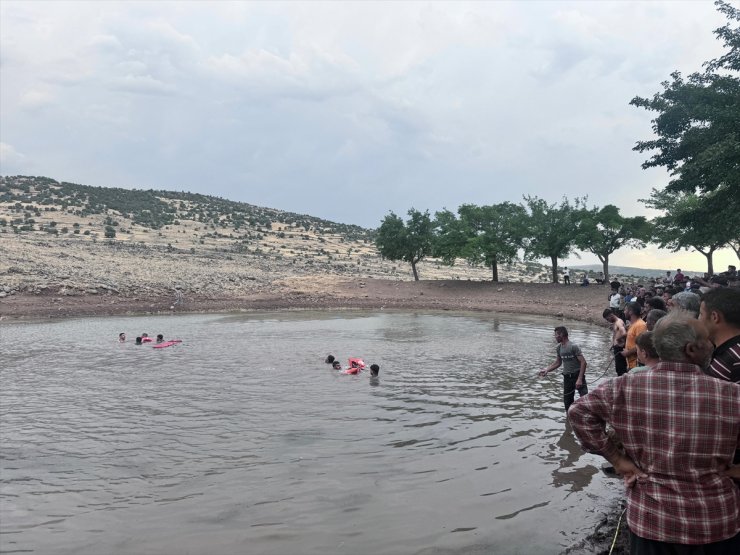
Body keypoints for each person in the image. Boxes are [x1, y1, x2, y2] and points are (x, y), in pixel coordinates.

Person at [568, 313, 740, 553]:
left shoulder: (622, 388)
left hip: (652, 521)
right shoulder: (732, 395)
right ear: (691, 349)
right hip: (716, 522)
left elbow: (578, 413)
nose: (712, 344)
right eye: (707, 340)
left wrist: (618, 460)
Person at [538, 326, 588, 411]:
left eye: (556, 335)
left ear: (561, 335)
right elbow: (558, 362)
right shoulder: (559, 348)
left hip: (577, 375)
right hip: (567, 378)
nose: (555, 337)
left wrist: (579, 379)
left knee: (585, 399)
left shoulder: (573, 346)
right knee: (567, 402)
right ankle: (569, 420)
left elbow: (583, 362)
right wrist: (547, 370)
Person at [699, 287, 740, 384]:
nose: (698, 319)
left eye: (701, 314)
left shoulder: (734, 359)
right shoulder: (728, 352)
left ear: (714, 317)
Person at [621, 302, 647, 371]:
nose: (624, 312)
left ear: (631, 312)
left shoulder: (640, 325)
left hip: (637, 365)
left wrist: (627, 353)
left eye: (625, 310)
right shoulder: (632, 324)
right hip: (630, 364)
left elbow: (641, 344)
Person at [603, 308, 628, 376]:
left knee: (620, 369)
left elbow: (624, 333)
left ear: (611, 315)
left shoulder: (619, 322)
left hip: (620, 348)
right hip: (617, 348)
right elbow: (615, 334)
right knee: (618, 368)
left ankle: (622, 383)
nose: (608, 321)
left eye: (608, 319)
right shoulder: (615, 322)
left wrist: (617, 339)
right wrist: (612, 345)